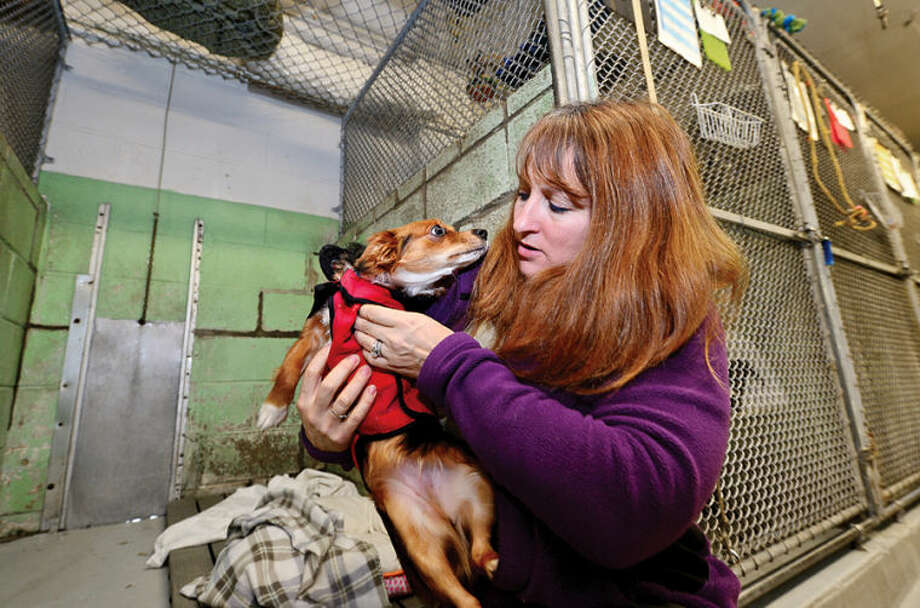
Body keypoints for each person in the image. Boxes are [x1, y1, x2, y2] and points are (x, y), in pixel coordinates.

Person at [296, 100, 747, 607]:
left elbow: (635, 507)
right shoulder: (481, 281)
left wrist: (452, 367)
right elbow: (369, 388)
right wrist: (327, 433)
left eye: (559, 205)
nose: (522, 221)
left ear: (629, 222)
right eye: (524, 193)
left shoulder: (670, 321)